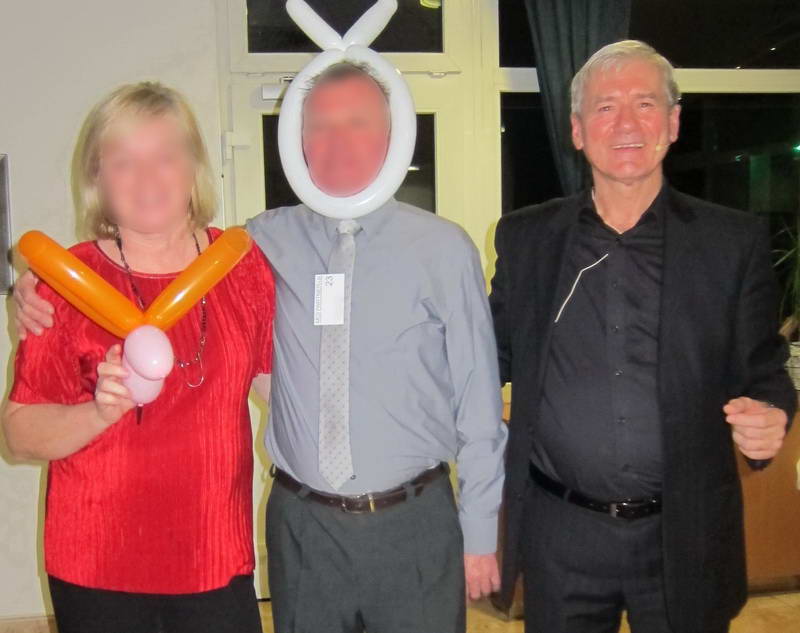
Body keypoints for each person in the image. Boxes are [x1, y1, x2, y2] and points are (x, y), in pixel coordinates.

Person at [15, 63, 508, 633]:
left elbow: (474, 400)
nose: (338, 141)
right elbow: (22, 428)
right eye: (320, 125)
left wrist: (480, 531)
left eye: (357, 122)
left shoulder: (259, 259)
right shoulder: (246, 248)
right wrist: (30, 281)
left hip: (312, 539)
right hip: (158, 547)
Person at [489, 40, 796, 633]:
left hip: (685, 532)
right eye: (605, 107)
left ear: (673, 123)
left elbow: (763, 369)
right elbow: (488, 355)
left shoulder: (731, 242)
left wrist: (771, 413)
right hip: (561, 535)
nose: (626, 123)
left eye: (645, 104)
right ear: (577, 130)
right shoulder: (527, 239)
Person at [3, 82, 274, 633]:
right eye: (124, 161)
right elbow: (18, 434)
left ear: (194, 166)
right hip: (97, 561)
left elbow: (282, 390)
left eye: (165, 155)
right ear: (98, 179)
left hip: (213, 554)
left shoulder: (242, 267)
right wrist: (98, 412)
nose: (147, 177)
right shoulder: (64, 282)